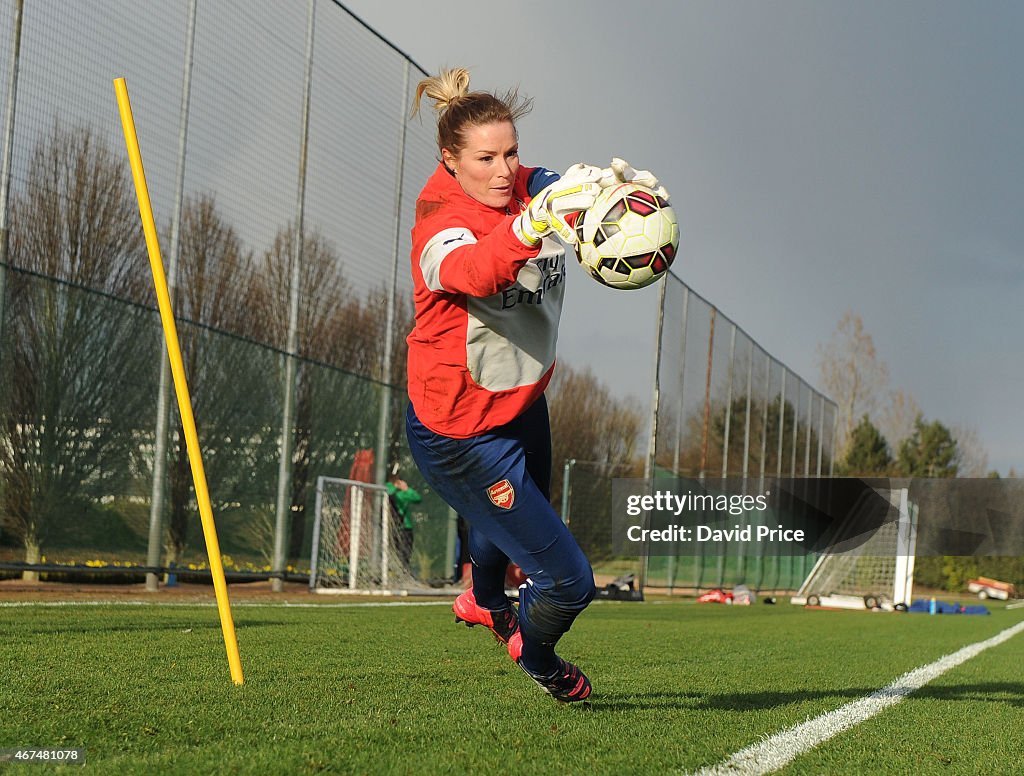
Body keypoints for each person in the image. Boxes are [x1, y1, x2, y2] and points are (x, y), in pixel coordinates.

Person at [404, 67, 666, 703]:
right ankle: (538, 656)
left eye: (511, 153)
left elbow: (569, 192)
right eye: (485, 158)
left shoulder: (533, 187)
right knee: (567, 582)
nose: (503, 171)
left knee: (509, 528)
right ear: (450, 160)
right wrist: (528, 227)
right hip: (460, 429)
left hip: (521, 401)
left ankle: (483, 600)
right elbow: (469, 268)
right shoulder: (438, 221)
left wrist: (616, 194)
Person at [384, 472, 422, 573]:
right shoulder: (394, 492)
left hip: (404, 526)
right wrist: (402, 488)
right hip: (397, 527)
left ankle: (402, 570)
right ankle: (399, 571)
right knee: (400, 551)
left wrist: (405, 489)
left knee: (404, 551)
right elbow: (417, 498)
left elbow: (417, 498)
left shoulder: (400, 493)